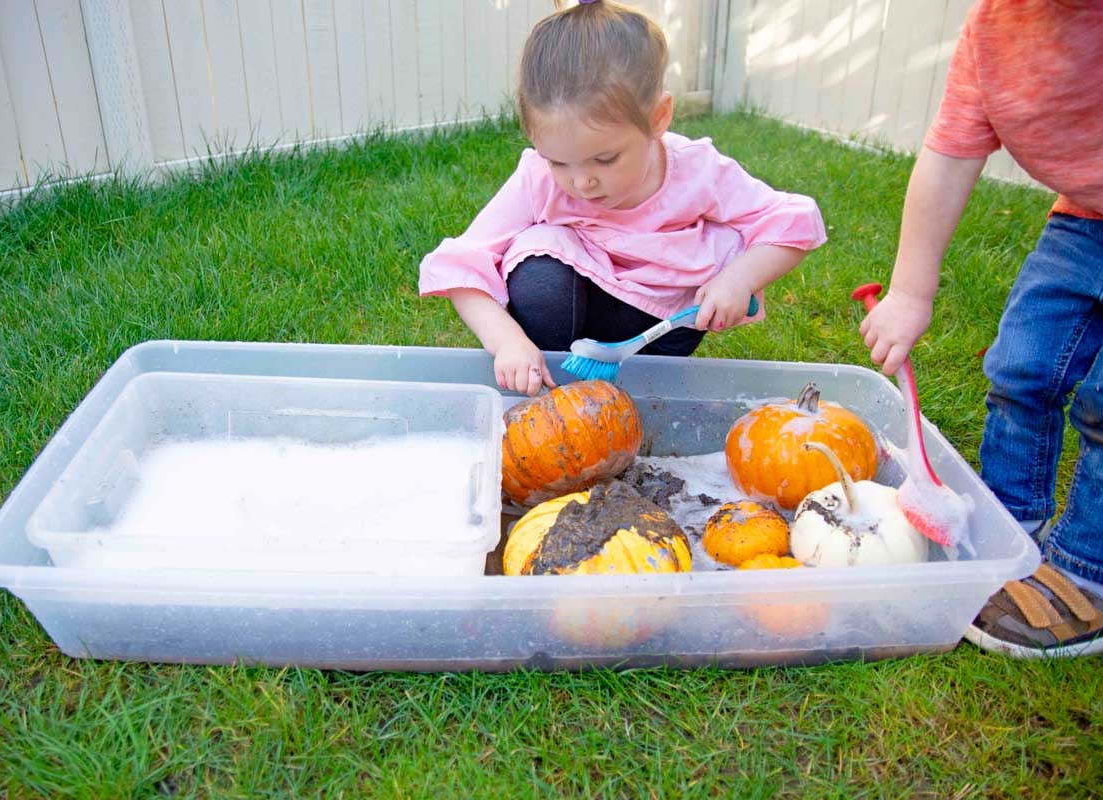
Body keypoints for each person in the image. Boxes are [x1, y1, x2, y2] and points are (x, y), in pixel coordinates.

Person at [418, 0, 826, 397]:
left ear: (658, 118)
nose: (582, 183)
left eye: (605, 159)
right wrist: (507, 342)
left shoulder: (696, 170)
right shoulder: (538, 177)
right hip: (573, 311)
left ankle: (645, 391)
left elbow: (793, 221)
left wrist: (739, 279)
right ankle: (551, 391)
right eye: (559, 162)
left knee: (648, 394)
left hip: (663, 320)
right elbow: (461, 266)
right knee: (538, 271)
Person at [859, 0, 1103, 657]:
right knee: (1022, 364)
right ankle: (1008, 520)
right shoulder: (992, 31)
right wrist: (910, 291)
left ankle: (1087, 569)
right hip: (1086, 218)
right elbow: (947, 156)